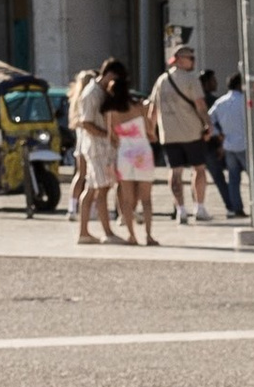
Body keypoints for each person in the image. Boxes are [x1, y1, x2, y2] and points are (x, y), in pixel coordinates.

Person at [149, 36, 217, 223]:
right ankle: (200, 208)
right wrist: (208, 125)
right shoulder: (191, 79)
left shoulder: (161, 80)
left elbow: (152, 109)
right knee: (199, 169)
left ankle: (181, 210)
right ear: (179, 59)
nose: (193, 61)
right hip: (192, 132)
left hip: (168, 135)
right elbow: (201, 105)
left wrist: (152, 130)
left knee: (175, 171)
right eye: (190, 58)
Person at [100, 60, 157, 246]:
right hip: (143, 152)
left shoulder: (111, 112)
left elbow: (111, 137)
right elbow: (150, 132)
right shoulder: (139, 107)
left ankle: (132, 235)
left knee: (126, 198)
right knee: (146, 198)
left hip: (124, 153)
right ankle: (148, 235)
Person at [67, 64, 119, 246]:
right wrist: (108, 135)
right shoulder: (91, 94)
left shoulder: (95, 93)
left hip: (95, 146)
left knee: (92, 186)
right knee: (98, 187)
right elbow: (86, 122)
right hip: (95, 147)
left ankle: (84, 231)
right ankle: (104, 231)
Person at [206, 68, 248, 219]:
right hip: (245, 144)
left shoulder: (220, 102)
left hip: (228, 145)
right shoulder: (245, 101)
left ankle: (236, 208)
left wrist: (220, 135)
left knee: (233, 179)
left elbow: (209, 120)